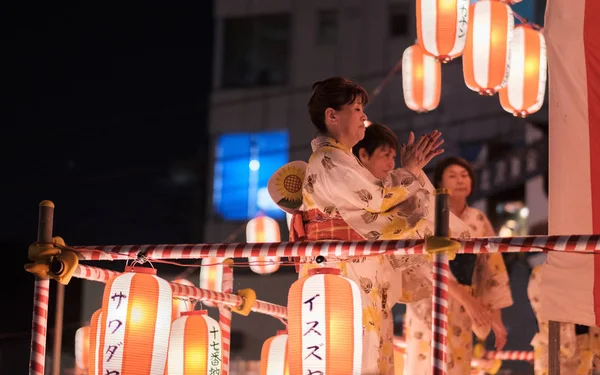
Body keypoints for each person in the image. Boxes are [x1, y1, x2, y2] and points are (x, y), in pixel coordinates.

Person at [272, 77, 472, 374]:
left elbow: (377, 197)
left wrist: (411, 171)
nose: (363, 116)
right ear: (332, 115)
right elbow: (377, 200)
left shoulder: (341, 159)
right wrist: (411, 172)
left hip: (356, 268)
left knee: (367, 351)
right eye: (356, 108)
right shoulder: (329, 159)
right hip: (339, 270)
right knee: (352, 354)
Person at [404, 156, 514, 375]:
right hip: (429, 297)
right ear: (440, 183)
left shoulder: (478, 219)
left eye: (465, 176)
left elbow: (493, 269)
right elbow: (424, 265)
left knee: (459, 365)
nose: (460, 180)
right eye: (452, 176)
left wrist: (496, 320)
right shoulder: (426, 216)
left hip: (465, 303)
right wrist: (469, 302)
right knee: (425, 360)